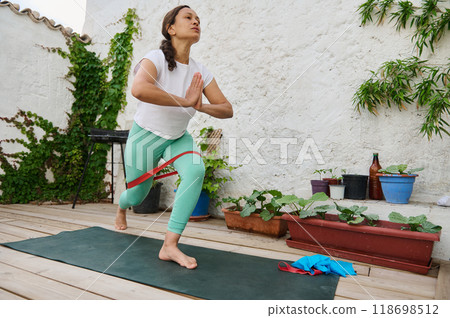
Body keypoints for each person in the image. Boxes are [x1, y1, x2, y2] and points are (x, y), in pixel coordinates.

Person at [115, 5, 233, 270]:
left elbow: (227, 109)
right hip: (145, 137)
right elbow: (139, 89)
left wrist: (200, 105)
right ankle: (121, 207)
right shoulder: (154, 58)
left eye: (198, 19)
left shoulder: (200, 71)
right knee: (137, 196)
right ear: (171, 28)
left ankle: (169, 245)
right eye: (188, 18)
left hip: (177, 138)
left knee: (195, 172)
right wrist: (185, 102)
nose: (196, 22)